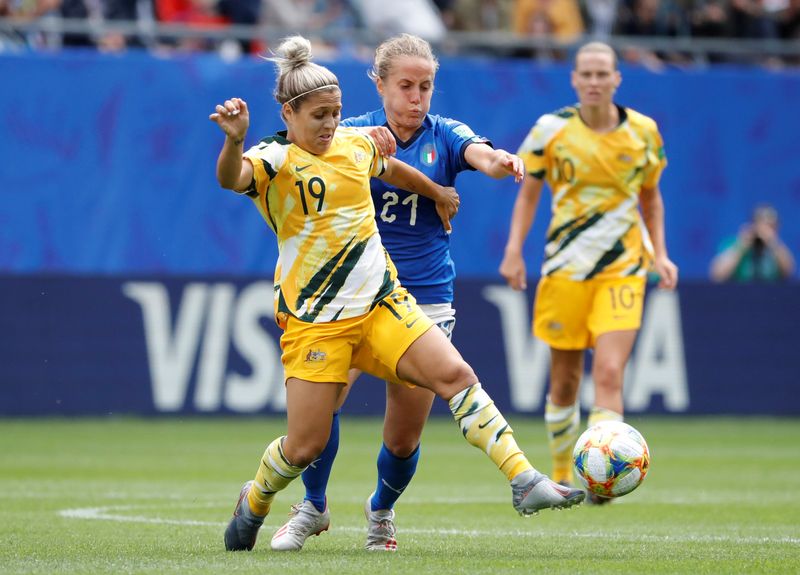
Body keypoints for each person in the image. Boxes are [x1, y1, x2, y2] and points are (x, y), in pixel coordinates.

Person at [212, 35, 585, 554]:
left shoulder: (359, 141)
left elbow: (391, 168)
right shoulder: (274, 157)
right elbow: (233, 179)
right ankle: (260, 500)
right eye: (319, 115)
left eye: (335, 114)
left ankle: (524, 481)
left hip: (388, 302)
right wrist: (233, 141)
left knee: (452, 380)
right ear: (289, 114)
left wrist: (439, 191)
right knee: (304, 444)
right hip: (319, 320)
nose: (329, 125)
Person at [269, 32, 531, 553]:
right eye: (405, 86)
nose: (416, 98)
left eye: (426, 87)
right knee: (323, 411)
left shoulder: (446, 134)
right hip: (351, 294)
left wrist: (498, 161)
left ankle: (381, 511)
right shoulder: (347, 134)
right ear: (380, 84)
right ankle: (313, 506)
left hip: (424, 296)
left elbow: (477, 152)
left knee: (404, 435)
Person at [499, 41, 678, 503]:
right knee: (563, 380)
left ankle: (602, 483)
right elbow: (528, 195)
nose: (595, 82)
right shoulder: (549, 130)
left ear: (618, 78)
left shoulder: (643, 132)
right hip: (565, 268)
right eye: (587, 74)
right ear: (574, 79)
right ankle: (563, 473)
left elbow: (651, 199)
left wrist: (660, 253)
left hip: (623, 267)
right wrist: (514, 249)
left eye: (603, 74)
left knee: (612, 372)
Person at [709, 204, 796, 282]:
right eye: (762, 223)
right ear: (753, 224)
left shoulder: (778, 249)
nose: (765, 230)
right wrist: (742, 245)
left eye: (771, 226)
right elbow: (717, 275)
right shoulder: (734, 243)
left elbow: (789, 272)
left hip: (770, 296)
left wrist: (773, 243)